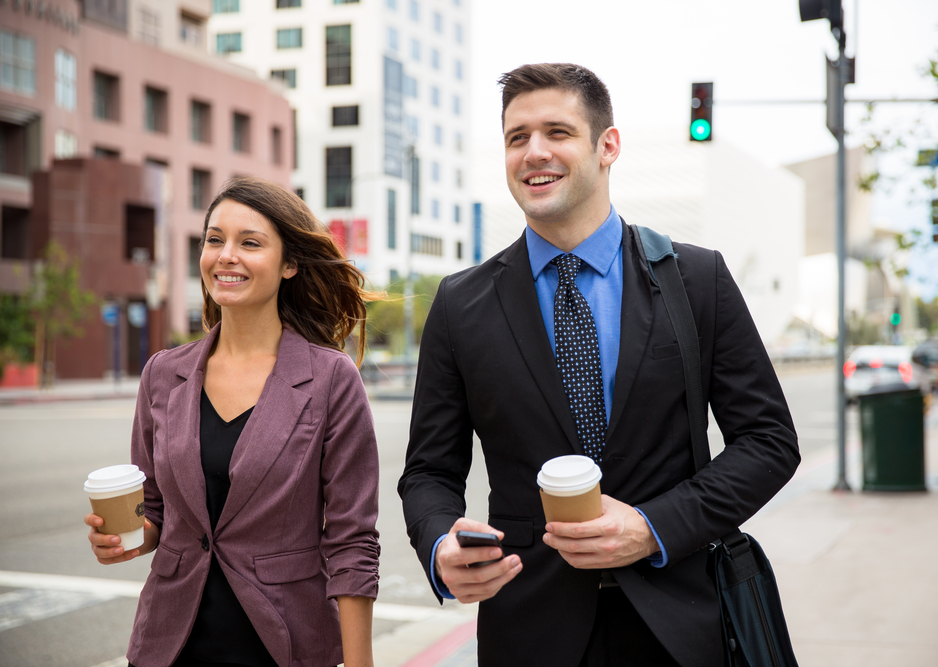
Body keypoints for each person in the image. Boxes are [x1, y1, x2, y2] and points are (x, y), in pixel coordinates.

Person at [397, 63, 800, 667]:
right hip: (527, 633)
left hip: (681, 628)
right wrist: (439, 545)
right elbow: (429, 470)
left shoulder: (697, 279)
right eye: (516, 137)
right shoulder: (460, 304)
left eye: (557, 132)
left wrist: (652, 526)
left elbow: (769, 442)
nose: (534, 152)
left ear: (606, 144)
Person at [85, 176, 381, 667]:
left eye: (250, 243)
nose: (226, 255)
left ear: (289, 264)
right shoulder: (163, 374)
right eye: (215, 239)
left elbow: (352, 540)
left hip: (286, 642)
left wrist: (360, 664)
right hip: (169, 643)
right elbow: (154, 510)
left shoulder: (331, 379)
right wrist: (122, 539)